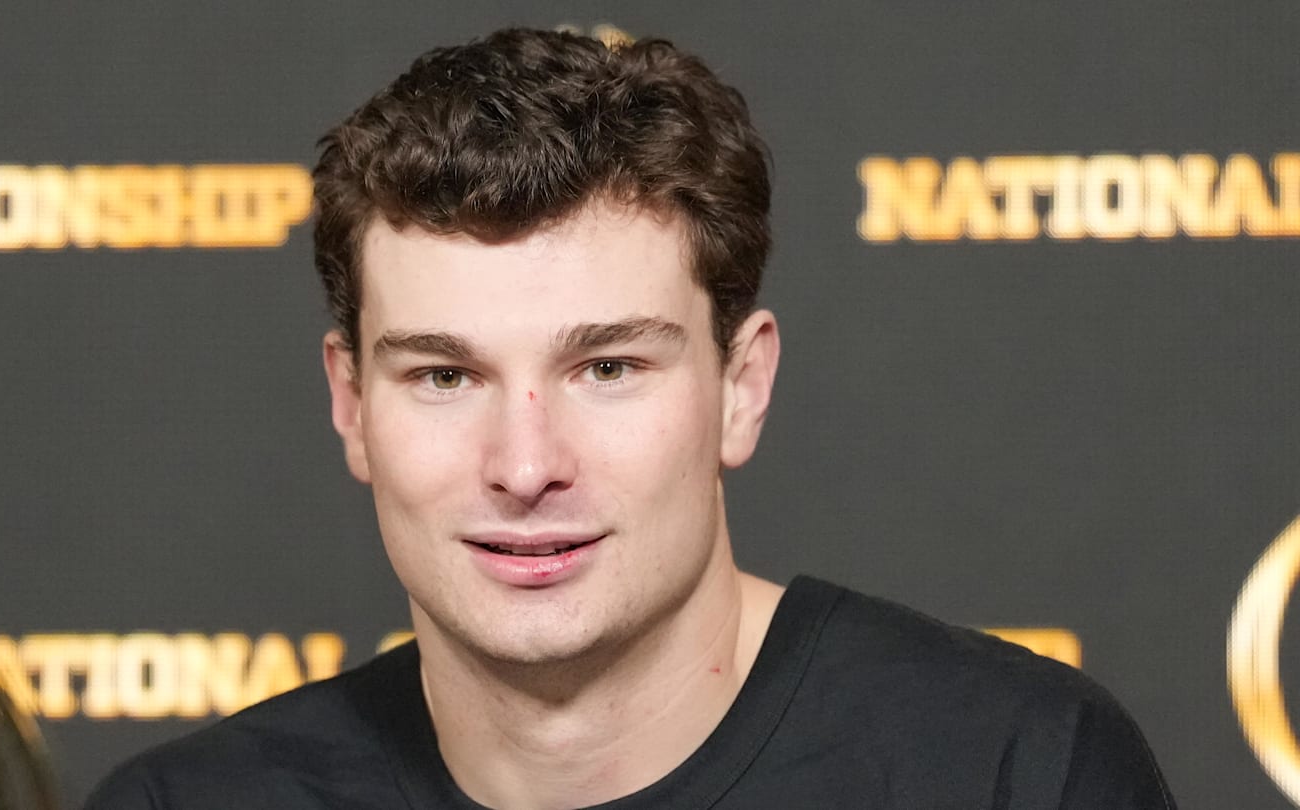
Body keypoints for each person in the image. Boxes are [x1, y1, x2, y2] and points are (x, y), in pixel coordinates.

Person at [86, 27, 1174, 809]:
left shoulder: (1016, 770)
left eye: (607, 367)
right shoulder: (187, 801)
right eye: (443, 377)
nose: (523, 465)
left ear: (740, 389)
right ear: (350, 405)